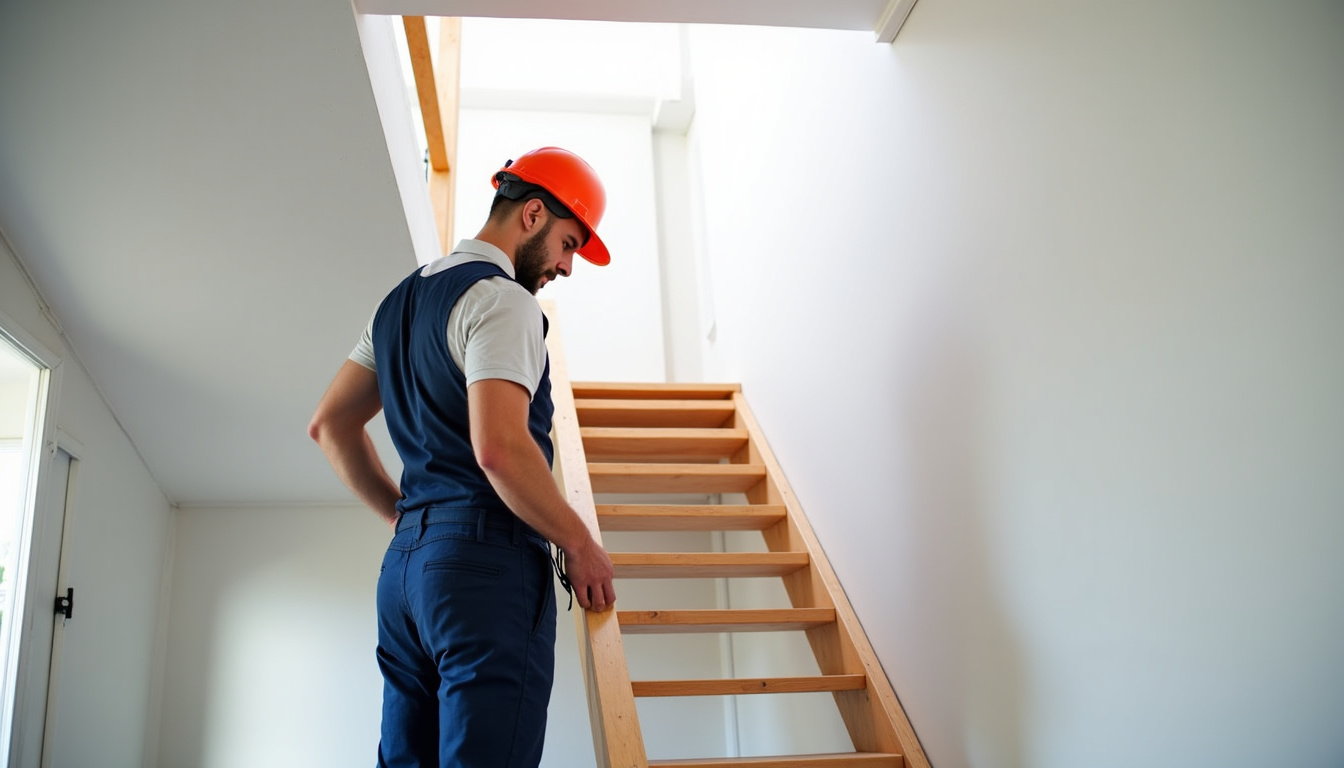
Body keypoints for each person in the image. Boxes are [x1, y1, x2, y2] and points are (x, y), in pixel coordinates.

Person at [308, 146, 617, 768]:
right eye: (568, 244)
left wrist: (403, 518)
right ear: (533, 213)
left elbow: (329, 425)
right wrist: (579, 541)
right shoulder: (505, 300)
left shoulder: (395, 305)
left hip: (404, 578)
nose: (566, 266)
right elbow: (499, 449)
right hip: (484, 570)